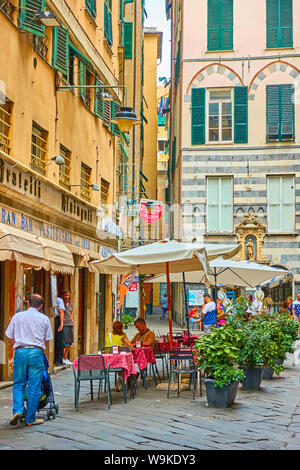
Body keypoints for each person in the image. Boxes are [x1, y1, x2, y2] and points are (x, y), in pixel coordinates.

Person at [5, 294, 53, 427]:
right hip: (36, 352)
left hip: (20, 351)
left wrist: (17, 345)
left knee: (18, 384)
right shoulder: (44, 319)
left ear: (28, 303)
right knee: (34, 386)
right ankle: (30, 418)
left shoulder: (17, 316)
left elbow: (9, 335)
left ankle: (18, 411)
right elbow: (47, 339)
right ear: (41, 306)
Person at [62, 290, 74, 365]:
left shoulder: (70, 304)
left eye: (68, 295)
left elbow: (71, 313)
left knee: (69, 343)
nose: (67, 297)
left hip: (70, 324)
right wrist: (62, 320)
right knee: (65, 343)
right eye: (65, 295)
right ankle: (63, 358)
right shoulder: (61, 304)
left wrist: (72, 320)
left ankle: (66, 358)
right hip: (64, 325)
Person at [54, 296, 65, 366]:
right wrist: (61, 323)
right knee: (61, 340)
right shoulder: (59, 300)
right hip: (57, 320)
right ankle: (59, 359)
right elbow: (61, 311)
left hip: (52, 319)